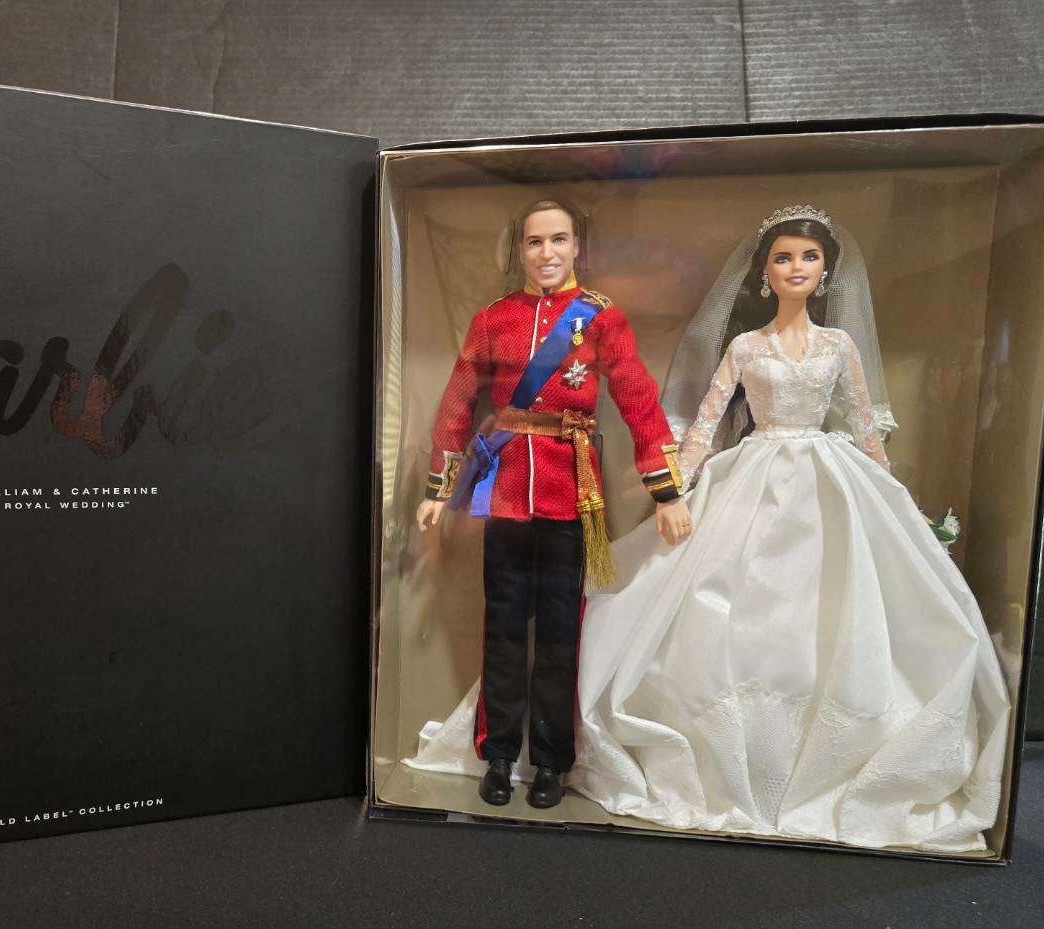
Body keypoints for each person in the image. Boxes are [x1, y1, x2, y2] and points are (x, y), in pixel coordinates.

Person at [568, 206, 1011, 852]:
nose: (795, 267)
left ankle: (827, 758)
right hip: (754, 471)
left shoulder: (839, 346)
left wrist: (897, 500)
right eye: (783, 258)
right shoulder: (746, 347)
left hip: (827, 475)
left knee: (826, 607)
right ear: (764, 273)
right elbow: (705, 424)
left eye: (807, 257)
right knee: (734, 607)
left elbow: (863, 427)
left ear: (826, 270)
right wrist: (673, 491)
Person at [412, 199, 688, 809]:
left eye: (559, 239)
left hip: (571, 492)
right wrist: (439, 487)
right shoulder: (495, 319)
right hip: (505, 493)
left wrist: (665, 491)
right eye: (535, 242)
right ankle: (498, 753)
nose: (547, 253)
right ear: (520, 249)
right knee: (504, 629)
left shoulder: (601, 318)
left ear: (576, 246)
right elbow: (458, 401)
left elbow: (639, 400)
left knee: (562, 636)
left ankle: (551, 761)